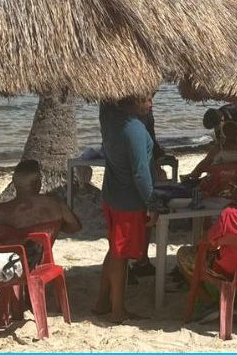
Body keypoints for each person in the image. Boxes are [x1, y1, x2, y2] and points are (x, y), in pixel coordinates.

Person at [95, 95, 158, 323]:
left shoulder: (109, 117)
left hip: (111, 194)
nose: (151, 104)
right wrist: (152, 203)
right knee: (120, 255)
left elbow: (104, 98)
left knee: (114, 249)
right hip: (128, 202)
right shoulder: (135, 130)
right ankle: (117, 310)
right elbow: (140, 173)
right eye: (146, 99)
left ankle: (102, 302)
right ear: (132, 101)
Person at [0, 159, 82, 237]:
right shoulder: (56, 204)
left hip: (12, 255)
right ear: (38, 183)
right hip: (42, 253)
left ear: (14, 182)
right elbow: (74, 227)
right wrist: (54, 228)